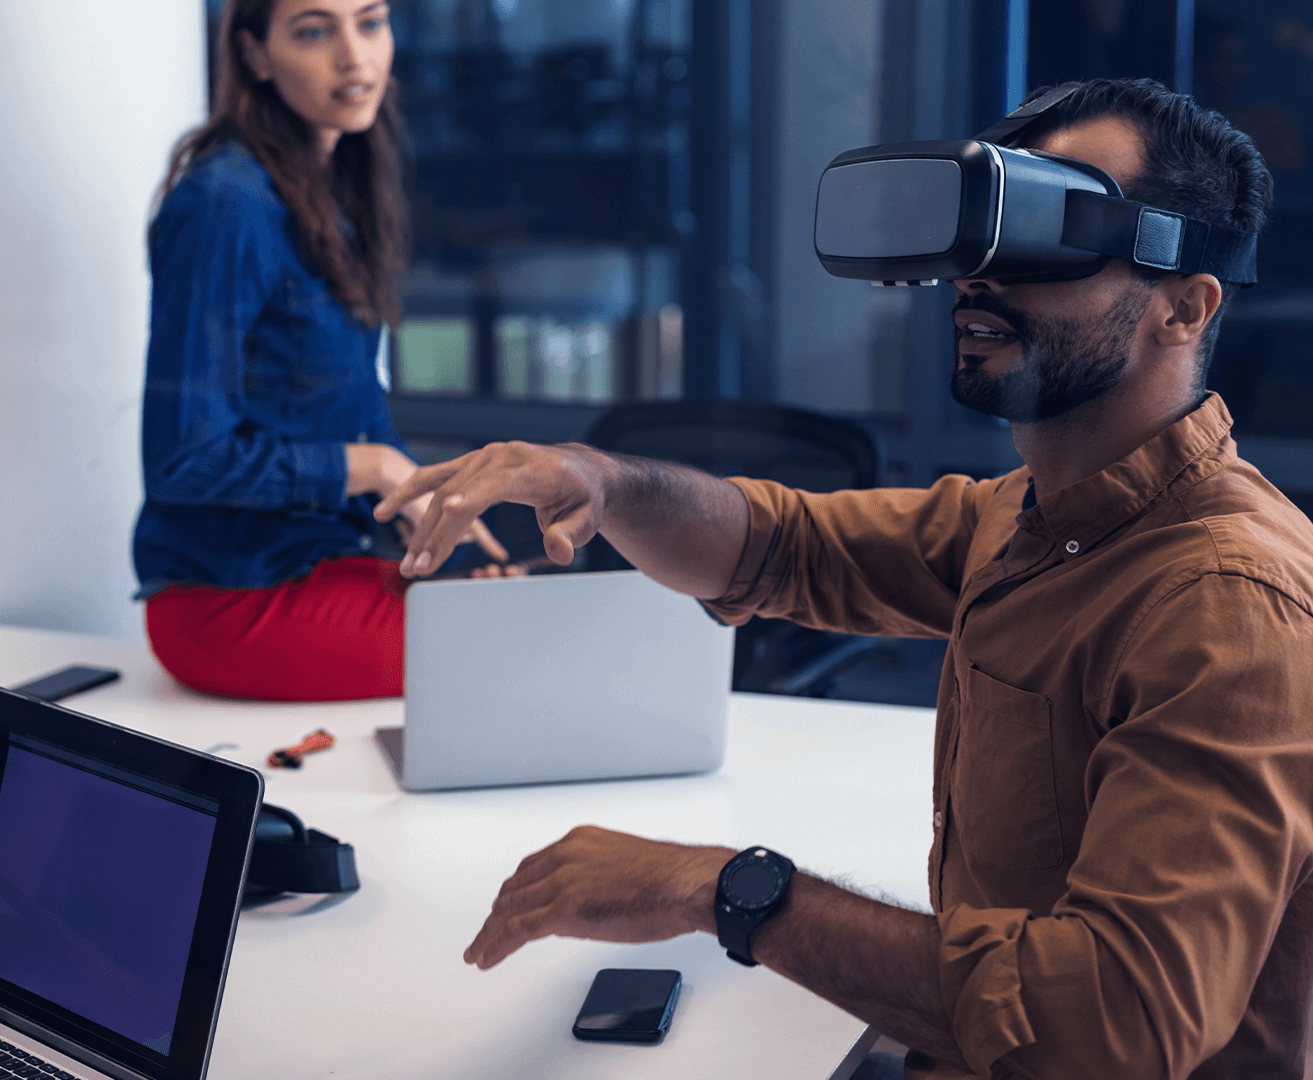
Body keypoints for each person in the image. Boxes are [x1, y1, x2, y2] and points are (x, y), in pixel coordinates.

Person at [378, 79, 1311, 1079]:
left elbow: (1113, 1029)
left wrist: (729, 890)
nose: (980, 278)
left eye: (1050, 231)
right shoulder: (1026, 515)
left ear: (1185, 306)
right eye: (985, 233)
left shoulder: (1226, 605)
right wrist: (598, 480)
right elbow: (781, 547)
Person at [134, 0, 507, 703]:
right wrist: (372, 468)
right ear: (254, 55)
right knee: (509, 653)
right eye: (313, 31)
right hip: (226, 600)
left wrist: (423, 508)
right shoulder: (226, 204)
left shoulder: (333, 192)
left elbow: (346, 409)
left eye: (370, 22)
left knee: (514, 611)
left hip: (312, 564)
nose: (354, 56)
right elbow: (182, 460)